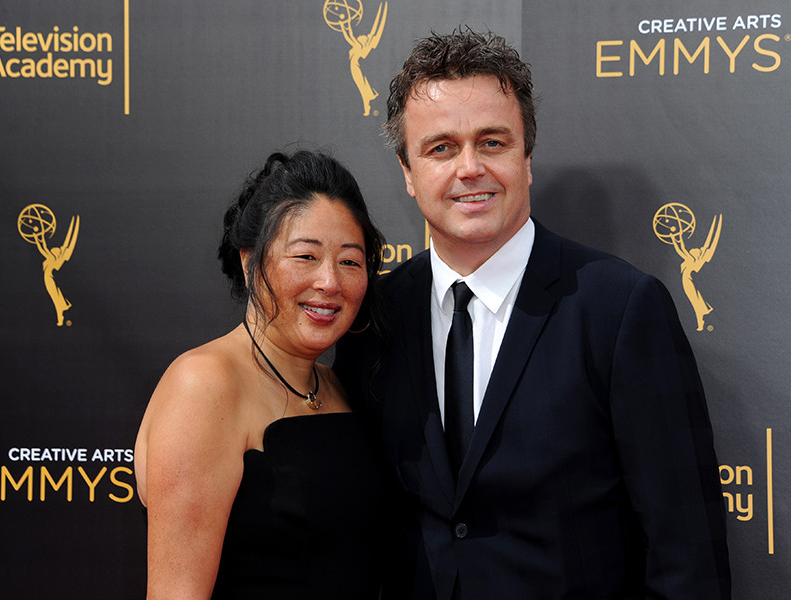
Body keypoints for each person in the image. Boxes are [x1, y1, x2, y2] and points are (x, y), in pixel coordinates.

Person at [334, 28, 731, 599]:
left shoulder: (619, 310)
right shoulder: (376, 315)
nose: (469, 168)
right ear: (407, 172)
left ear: (527, 158)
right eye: (441, 148)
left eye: (492, 142)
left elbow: (686, 554)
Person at [134, 150, 387, 599]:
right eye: (305, 256)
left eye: (350, 261)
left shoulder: (337, 385)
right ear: (250, 261)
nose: (330, 282)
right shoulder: (205, 385)